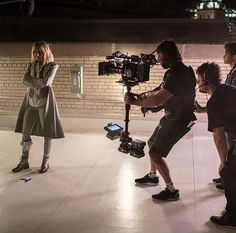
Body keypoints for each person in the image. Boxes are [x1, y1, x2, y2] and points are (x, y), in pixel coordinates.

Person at [124, 40, 196, 201]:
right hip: (172, 115)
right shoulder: (173, 71)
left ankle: (171, 190)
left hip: (178, 119)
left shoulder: (178, 73)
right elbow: (159, 90)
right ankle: (152, 176)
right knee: (151, 143)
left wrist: (134, 102)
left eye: (159, 56)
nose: (158, 59)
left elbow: (158, 100)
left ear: (167, 55)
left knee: (155, 153)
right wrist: (142, 96)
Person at [12, 40, 64, 174]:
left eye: (39, 52)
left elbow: (47, 82)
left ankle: (45, 161)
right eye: (34, 52)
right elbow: (24, 81)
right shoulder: (31, 65)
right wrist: (37, 84)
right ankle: (24, 160)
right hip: (31, 102)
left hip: (44, 103)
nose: (36, 55)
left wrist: (32, 83)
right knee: (25, 132)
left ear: (45, 52)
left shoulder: (53, 66)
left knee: (47, 133)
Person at [196, 62, 236, 228]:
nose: (197, 84)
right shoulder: (227, 89)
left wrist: (222, 162)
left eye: (198, 80)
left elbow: (218, 136)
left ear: (206, 81)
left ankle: (232, 218)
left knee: (228, 173)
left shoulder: (215, 101)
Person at [212, 42, 236, 190]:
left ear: (234, 57)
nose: (223, 56)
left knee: (232, 154)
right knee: (229, 152)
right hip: (229, 121)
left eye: (226, 54)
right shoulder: (232, 72)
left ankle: (230, 180)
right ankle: (227, 177)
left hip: (233, 122)